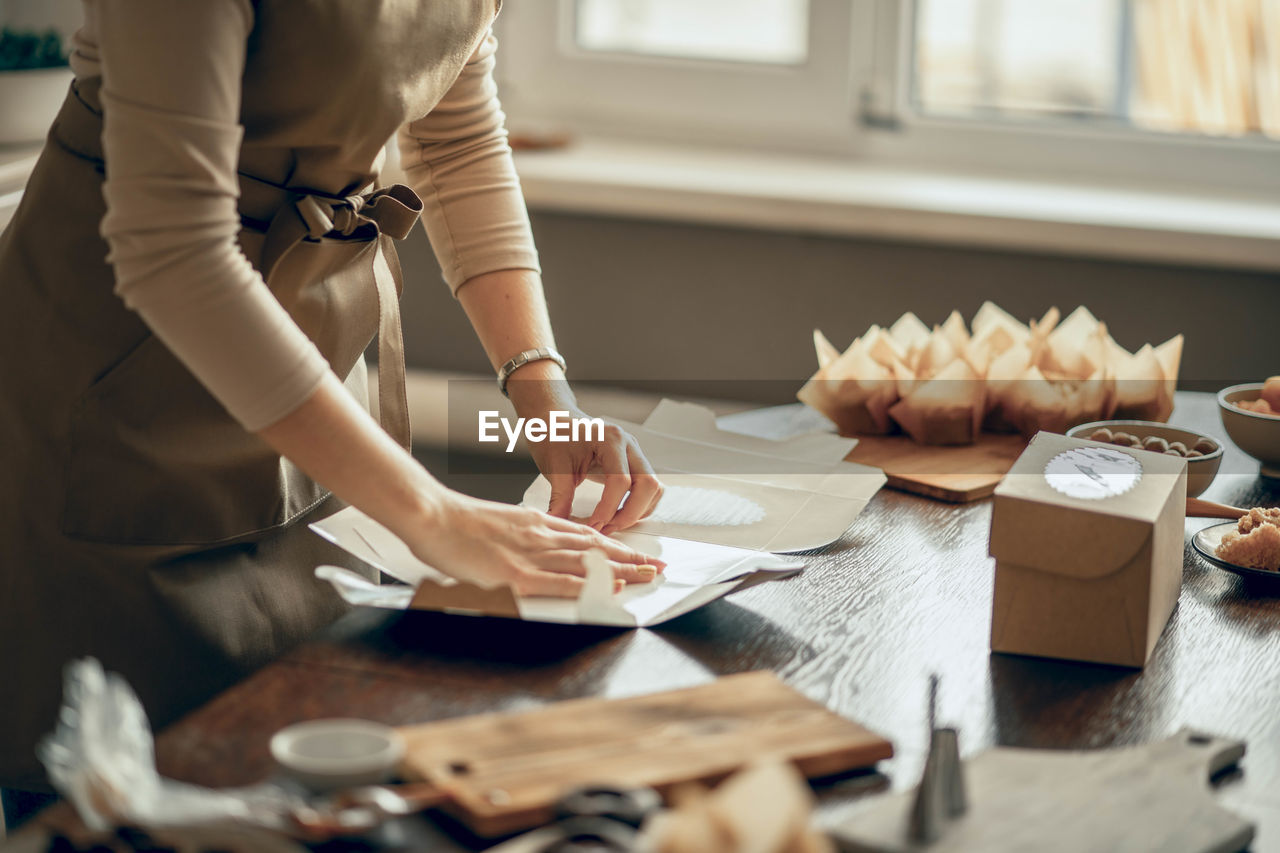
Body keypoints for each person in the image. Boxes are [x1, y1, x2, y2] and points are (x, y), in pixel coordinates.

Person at [0, 0, 664, 800]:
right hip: (112, 377)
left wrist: (543, 391)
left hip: (307, 380)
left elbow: (455, 139)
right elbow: (175, 252)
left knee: (310, 758)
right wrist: (436, 515)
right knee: (120, 792)